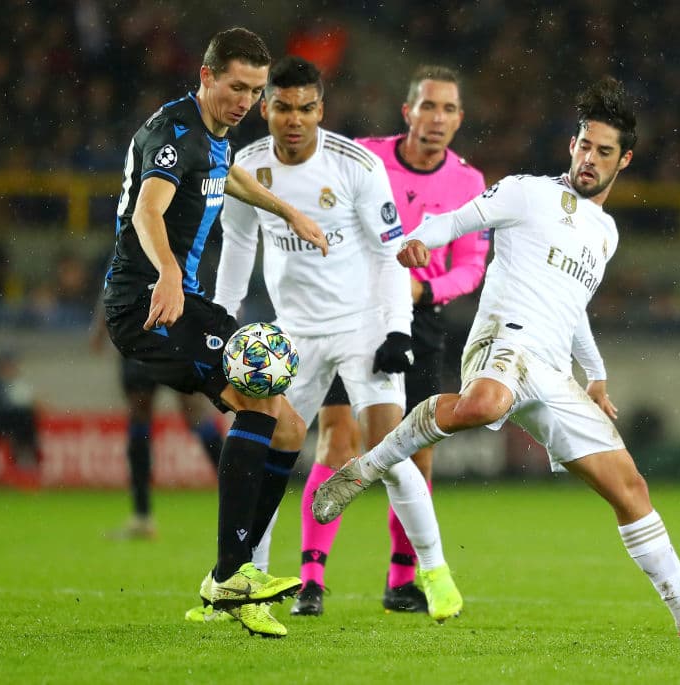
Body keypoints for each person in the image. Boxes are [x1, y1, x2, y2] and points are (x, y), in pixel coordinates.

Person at [314, 77, 680, 642]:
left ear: (623, 160)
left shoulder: (606, 233)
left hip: (551, 370)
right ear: (571, 144)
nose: (589, 158)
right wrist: (421, 241)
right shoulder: (525, 192)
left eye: (604, 151)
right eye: (583, 144)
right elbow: (453, 221)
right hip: (503, 340)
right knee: (486, 403)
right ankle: (367, 468)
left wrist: (596, 377)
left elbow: (572, 307)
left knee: (629, 489)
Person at [211, 56, 462, 622]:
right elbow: (236, 248)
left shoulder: (356, 165)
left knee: (389, 451)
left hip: (362, 325)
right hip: (292, 336)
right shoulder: (246, 165)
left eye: (305, 108)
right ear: (264, 108)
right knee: (261, 453)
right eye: (281, 107)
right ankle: (240, 583)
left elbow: (393, 254)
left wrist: (397, 330)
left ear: (320, 109)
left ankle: (435, 572)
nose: (293, 119)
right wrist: (223, 325)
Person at [102, 27, 329, 639]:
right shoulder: (173, 134)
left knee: (288, 423)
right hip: (145, 305)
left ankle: (232, 578)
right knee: (259, 398)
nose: (247, 102)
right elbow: (150, 209)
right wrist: (170, 274)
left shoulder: (216, 139)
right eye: (236, 87)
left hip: (183, 303)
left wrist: (289, 212)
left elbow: (230, 177)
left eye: (256, 92)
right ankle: (232, 575)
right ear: (206, 77)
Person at [312, 65, 490, 613]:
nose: (438, 119)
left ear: (459, 119)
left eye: (449, 109)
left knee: (416, 447)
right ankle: (310, 580)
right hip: (354, 314)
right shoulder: (363, 156)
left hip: (422, 319)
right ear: (407, 111)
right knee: (338, 439)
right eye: (429, 106)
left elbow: (473, 265)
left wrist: (426, 289)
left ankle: (400, 580)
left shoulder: (469, 183)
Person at [90, 301, 226, 540]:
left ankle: (237, 494)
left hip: (168, 330)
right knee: (157, 414)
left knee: (190, 411)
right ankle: (142, 516)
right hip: (144, 332)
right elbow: (113, 285)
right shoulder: (128, 264)